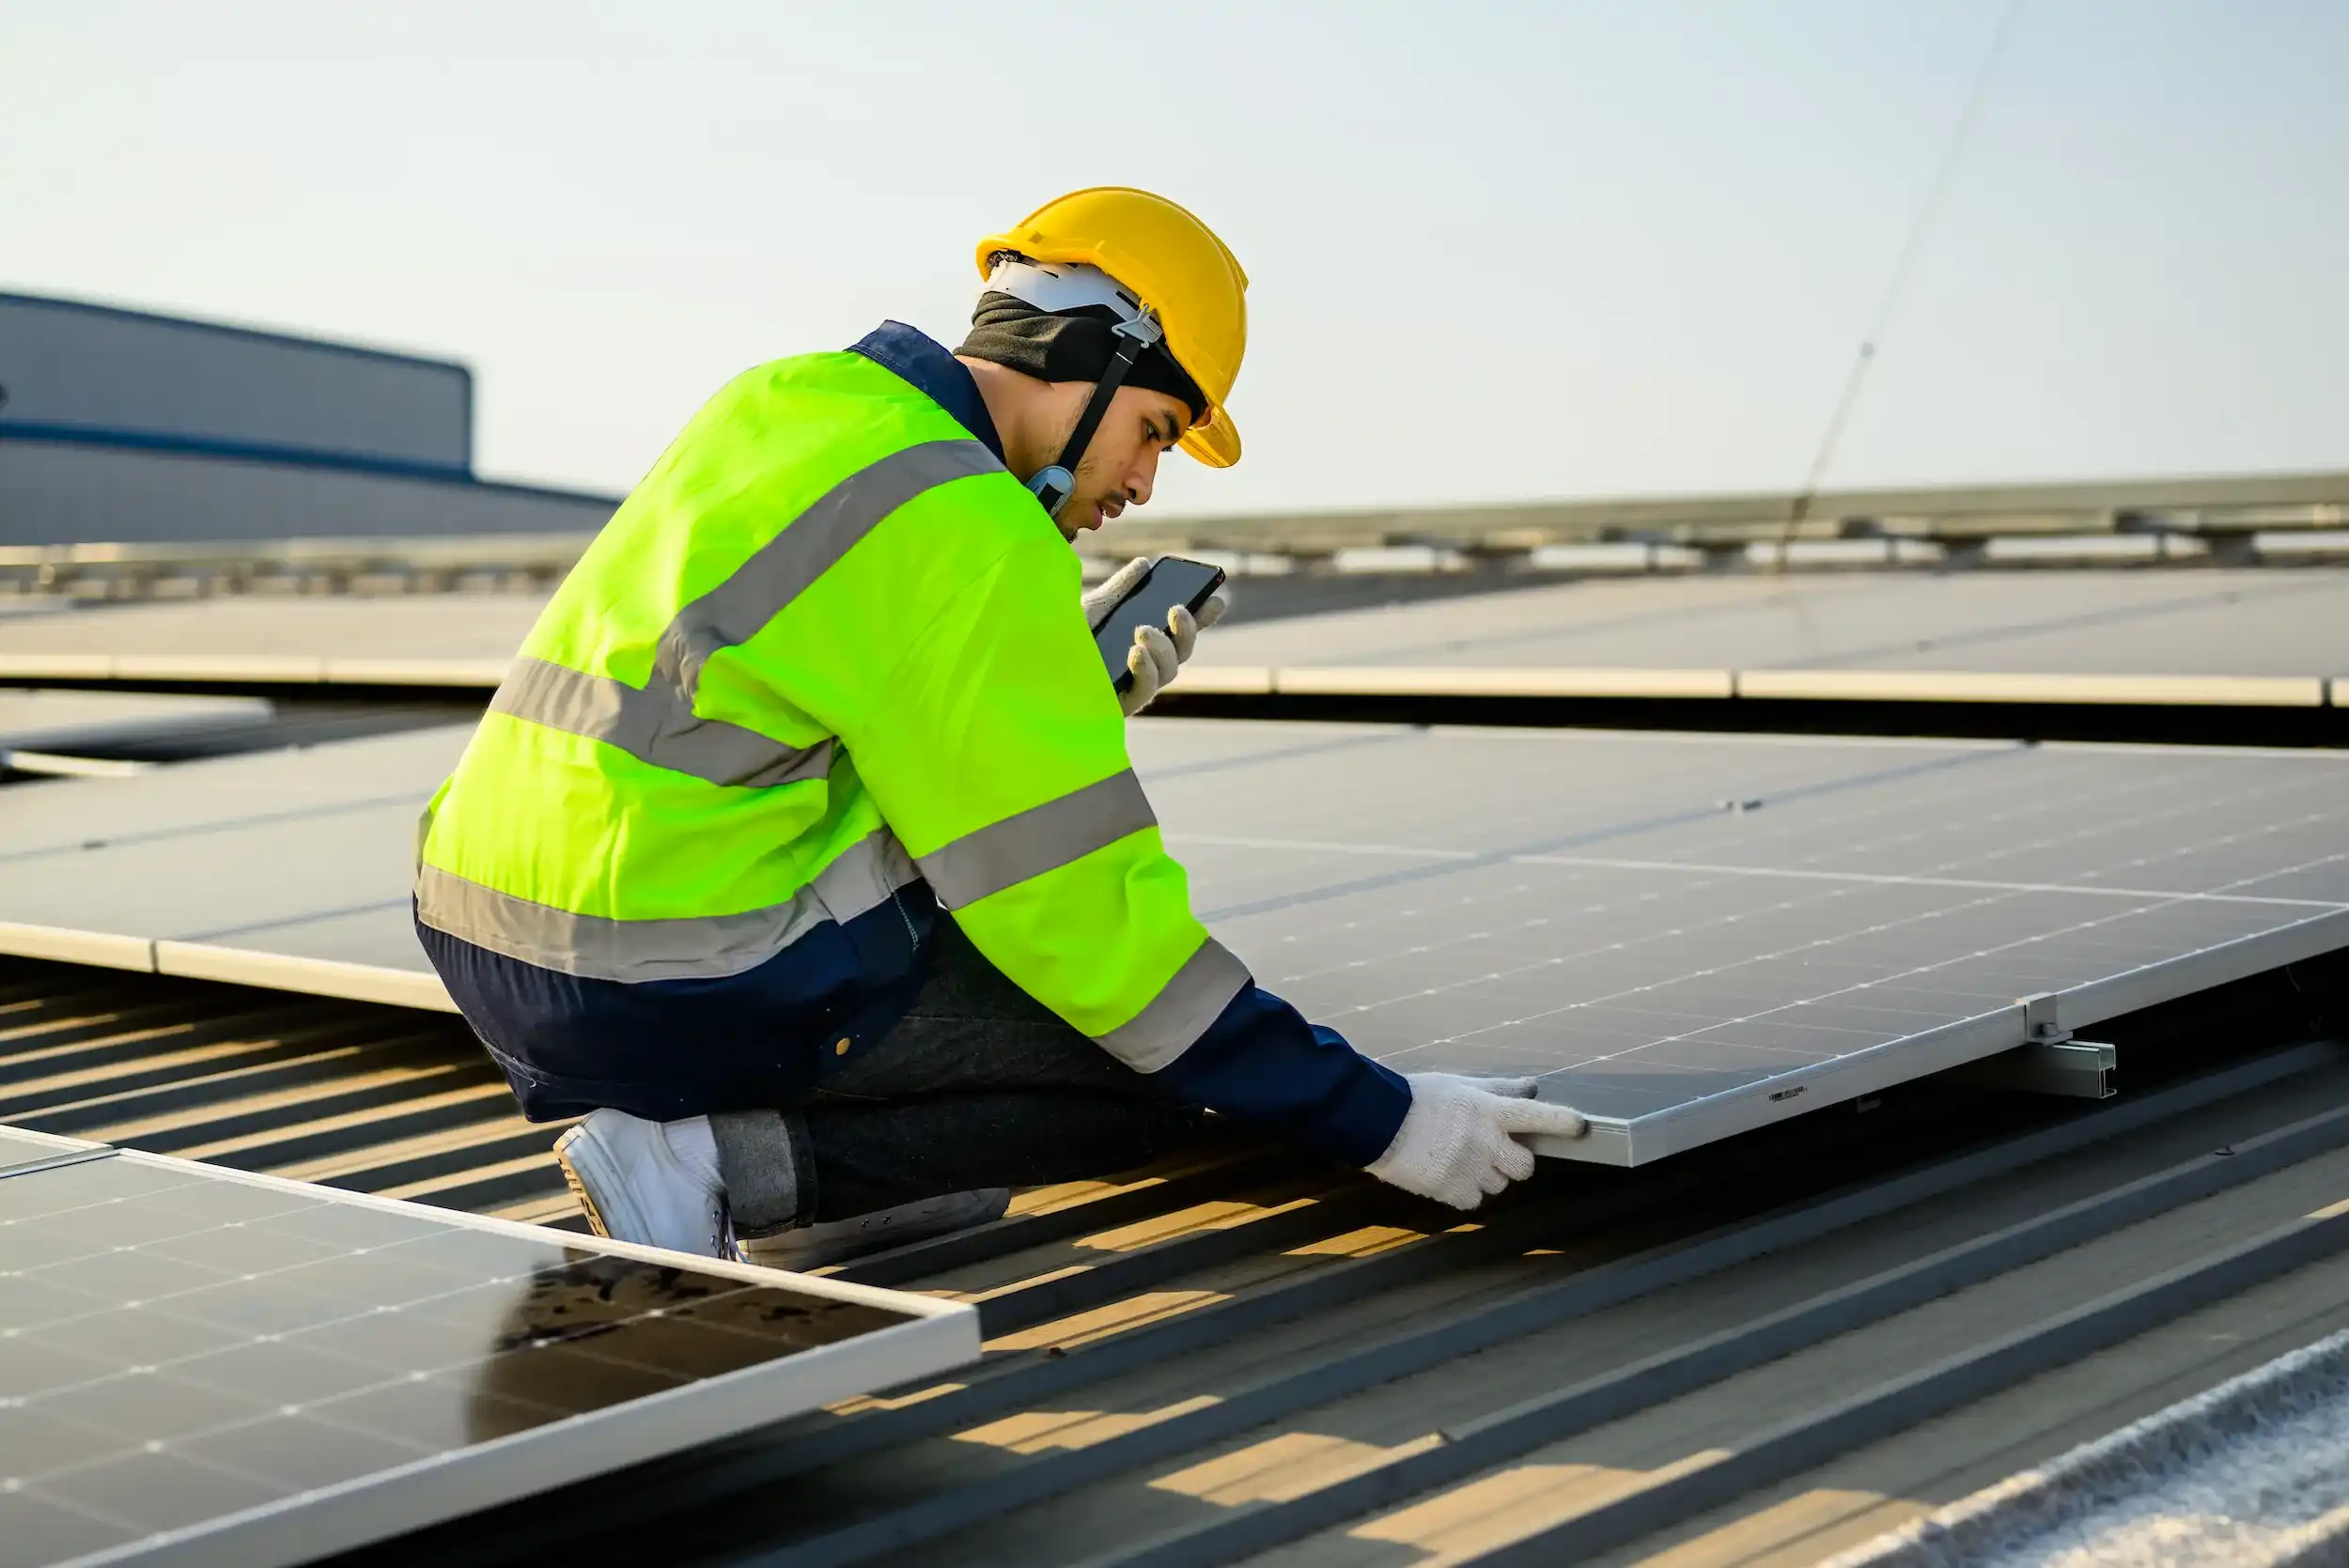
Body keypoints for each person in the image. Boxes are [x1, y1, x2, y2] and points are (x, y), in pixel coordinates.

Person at [412, 187, 1588, 1267]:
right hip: (656, 980)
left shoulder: (789, 400)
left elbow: (805, 684)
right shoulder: (975, 533)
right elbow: (1088, 926)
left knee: (981, 995)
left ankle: (817, 1172)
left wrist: (1050, 678)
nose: (1142, 485)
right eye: (1158, 429)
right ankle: (707, 1165)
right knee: (1146, 1064)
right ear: (1091, 347)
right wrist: (1384, 1119)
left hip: (480, 928)